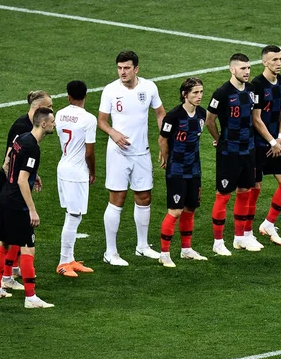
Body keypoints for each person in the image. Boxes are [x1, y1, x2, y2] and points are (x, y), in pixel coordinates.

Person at [98, 51, 166, 266]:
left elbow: (160, 114)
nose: (122, 72)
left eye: (126, 68)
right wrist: (113, 133)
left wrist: (163, 142)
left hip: (142, 152)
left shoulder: (149, 87)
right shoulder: (110, 90)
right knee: (117, 199)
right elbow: (101, 121)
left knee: (144, 197)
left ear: (136, 68)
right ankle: (110, 252)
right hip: (118, 154)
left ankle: (142, 246)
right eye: (119, 68)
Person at [0, 107, 56, 308]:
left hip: (4, 196)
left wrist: (32, 175)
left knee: (5, 243)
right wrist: (32, 210)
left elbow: (7, 162)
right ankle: (30, 297)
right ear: (43, 124)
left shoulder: (21, 137)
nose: (54, 124)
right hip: (17, 203)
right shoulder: (33, 147)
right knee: (28, 248)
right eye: (52, 121)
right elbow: (21, 180)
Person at [205, 53, 259, 255]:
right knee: (223, 195)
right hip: (229, 151)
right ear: (232, 69)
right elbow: (210, 119)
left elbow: (254, 117)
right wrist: (219, 139)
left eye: (248, 68)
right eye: (242, 68)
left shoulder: (252, 90)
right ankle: (218, 243)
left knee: (245, 192)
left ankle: (239, 238)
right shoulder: (222, 93)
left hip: (248, 149)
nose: (247, 72)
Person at [157, 78, 209, 267]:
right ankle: (164, 253)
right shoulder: (173, 116)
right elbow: (162, 139)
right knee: (175, 211)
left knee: (190, 208)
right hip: (177, 170)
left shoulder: (202, 114)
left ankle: (186, 249)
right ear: (184, 94)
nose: (199, 96)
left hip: (194, 169)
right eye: (195, 92)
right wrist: (167, 158)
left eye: (201, 92)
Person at [250, 45, 281, 246]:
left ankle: (268, 223)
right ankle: (246, 231)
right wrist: (271, 141)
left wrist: (280, 138)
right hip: (258, 144)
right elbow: (256, 118)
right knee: (255, 188)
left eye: (280, 59)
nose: (278, 63)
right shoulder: (257, 85)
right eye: (274, 60)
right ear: (264, 62)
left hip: (275, 142)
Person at [55, 81, 97, 277]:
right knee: (74, 215)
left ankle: (70, 259)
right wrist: (92, 171)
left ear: (68, 96)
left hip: (63, 166)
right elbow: (89, 152)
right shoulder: (89, 119)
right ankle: (63, 262)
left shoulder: (60, 114)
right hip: (77, 171)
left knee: (72, 214)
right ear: (86, 95)